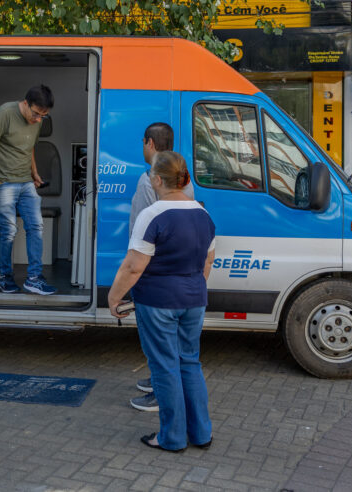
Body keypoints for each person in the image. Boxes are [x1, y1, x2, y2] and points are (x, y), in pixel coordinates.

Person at [108, 151, 215, 452]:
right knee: (189, 363)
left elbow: (133, 266)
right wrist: (191, 289)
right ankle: (201, 433)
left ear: (156, 179)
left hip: (157, 302)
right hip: (194, 300)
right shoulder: (203, 214)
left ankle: (171, 437)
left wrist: (114, 297)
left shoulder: (152, 215)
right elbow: (208, 261)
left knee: (165, 367)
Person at [128, 123, 194, 413]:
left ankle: (160, 393)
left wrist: (136, 277)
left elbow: (145, 231)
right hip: (179, 273)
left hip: (154, 272)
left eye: (144, 142)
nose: (142, 147)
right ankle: (159, 382)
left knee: (157, 338)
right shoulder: (182, 178)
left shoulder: (149, 180)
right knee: (173, 342)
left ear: (151, 144)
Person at [0, 85, 56, 295]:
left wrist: (34, 172)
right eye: (36, 114)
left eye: (44, 116)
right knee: (9, 231)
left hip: (26, 183)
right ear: (25, 103)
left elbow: (28, 146)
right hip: (3, 183)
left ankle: (34, 278)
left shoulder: (37, 121)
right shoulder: (5, 112)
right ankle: (4, 278)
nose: (39, 119)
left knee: (36, 227)